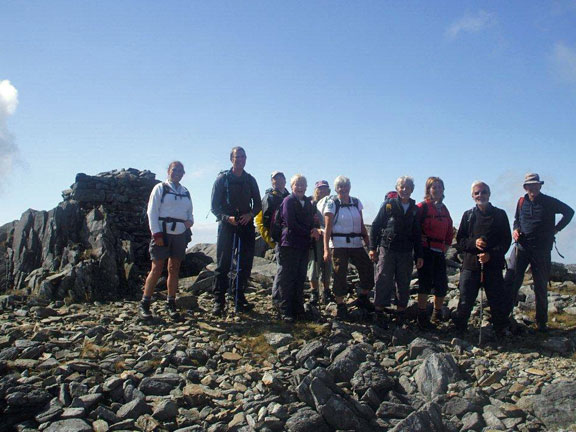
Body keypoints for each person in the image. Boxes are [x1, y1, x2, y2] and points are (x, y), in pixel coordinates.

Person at [507, 173, 574, 332]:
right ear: (526, 187)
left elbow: (569, 212)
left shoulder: (549, 202)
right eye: (530, 185)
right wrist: (516, 229)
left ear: (540, 186)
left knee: (540, 286)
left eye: (536, 184)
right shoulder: (521, 201)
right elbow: (516, 219)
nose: (533, 187)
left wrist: (556, 229)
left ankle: (541, 322)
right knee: (512, 282)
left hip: (542, 250)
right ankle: (505, 316)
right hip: (521, 247)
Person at [452, 181, 511, 336]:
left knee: (496, 300)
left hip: (493, 265)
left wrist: (491, 255)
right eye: (477, 193)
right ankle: (460, 329)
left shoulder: (500, 214)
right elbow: (461, 240)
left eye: (483, 192)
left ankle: (500, 330)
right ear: (472, 196)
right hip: (471, 265)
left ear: (489, 194)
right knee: (465, 299)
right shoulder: (468, 215)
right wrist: (474, 243)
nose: (480, 195)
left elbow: (506, 241)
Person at [140, 161, 194, 321]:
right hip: (162, 232)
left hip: (179, 234)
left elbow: (190, 212)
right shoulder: (160, 188)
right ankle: (145, 304)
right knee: (156, 268)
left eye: (180, 170)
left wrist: (189, 222)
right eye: (174, 170)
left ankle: (171, 303)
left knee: (174, 268)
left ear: (183, 173)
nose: (177, 173)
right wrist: (156, 233)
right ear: (168, 171)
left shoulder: (185, 192)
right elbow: (152, 211)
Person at [211, 147, 261, 316]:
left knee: (245, 264)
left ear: (246, 159)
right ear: (231, 159)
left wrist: (250, 215)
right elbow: (214, 207)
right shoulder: (222, 179)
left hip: (245, 224)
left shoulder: (250, 180)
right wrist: (227, 218)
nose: (239, 159)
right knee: (223, 264)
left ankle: (238, 297)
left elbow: (258, 205)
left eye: (242, 157)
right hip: (227, 224)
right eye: (236, 157)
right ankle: (219, 301)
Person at [370, 176, 423, 327]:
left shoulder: (414, 209)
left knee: (403, 281)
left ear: (412, 190)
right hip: (387, 249)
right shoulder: (389, 205)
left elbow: (417, 233)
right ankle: (379, 311)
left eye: (408, 187)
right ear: (397, 188)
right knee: (383, 279)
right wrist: (373, 248)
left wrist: (419, 255)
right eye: (402, 187)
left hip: (406, 251)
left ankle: (400, 313)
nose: (405, 190)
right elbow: (375, 226)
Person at [323, 176, 374, 319]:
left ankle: (363, 297)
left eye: (346, 186)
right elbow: (327, 228)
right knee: (340, 273)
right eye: (340, 186)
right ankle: (340, 305)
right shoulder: (332, 203)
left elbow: (362, 225)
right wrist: (326, 249)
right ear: (336, 189)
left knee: (367, 268)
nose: (343, 189)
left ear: (350, 187)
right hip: (339, 244)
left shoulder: (356, 202)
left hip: (356, 243)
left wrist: (369, 245)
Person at [273, 175, 321, 322]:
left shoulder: (307, 202)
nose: (300, 187)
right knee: (287, 277)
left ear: (306, 187)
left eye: (302, 185)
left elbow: (313, 219)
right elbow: (290, 223)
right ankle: (284, 309)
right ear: (292, 186)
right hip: (289, 244)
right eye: (297, 184)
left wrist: (314, 229)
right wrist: (309, 232)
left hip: (303, 245)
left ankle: (297, 307)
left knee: (300, 277)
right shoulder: (288, 201)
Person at [415, 177, 454, 330]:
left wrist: (447, 246)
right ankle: (422, 315)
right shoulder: (422, 207)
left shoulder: (444, 209)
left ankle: (436, 314)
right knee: (424, 283)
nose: (436, 190)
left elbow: (450, 230)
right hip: (425, 249)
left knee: (441, 284)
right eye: (433, 187)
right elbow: (414, 227)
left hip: (439, 251)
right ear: (428, 190)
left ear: (443, 190)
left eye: (439, 187)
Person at [307, 180, 333, 305]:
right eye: (319, 189)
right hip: (315, 240)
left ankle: (326, 291)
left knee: (327, 266)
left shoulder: (332, 203)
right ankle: (314, 292)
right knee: (314, 266)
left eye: (325, 189)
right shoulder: (310, 204)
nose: (322, 191)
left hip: (329, 240)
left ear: (329, 191)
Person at [254, 171, 289, 248]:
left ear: (285, 181)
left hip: (289, 239)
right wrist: (271, 239)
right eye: (276, 178)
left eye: (281, 178)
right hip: (277, 240)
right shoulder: (268, 198)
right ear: (272, 182)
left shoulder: (290, 198)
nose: (279, 180)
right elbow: (260, 221)